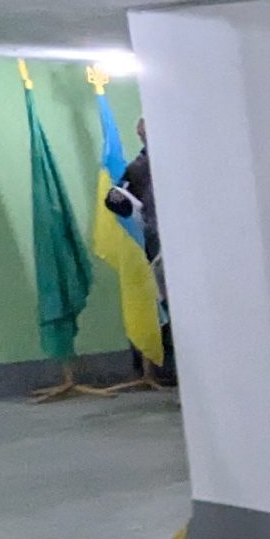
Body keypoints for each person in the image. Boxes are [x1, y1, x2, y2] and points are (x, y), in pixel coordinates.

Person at [102, 118, 173, 383]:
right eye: (143, 134)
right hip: (159, 249)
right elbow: (114, 200)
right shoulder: (137, 169)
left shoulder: (179, 159)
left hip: (186, 247)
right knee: (172, 312)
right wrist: (125, 204)